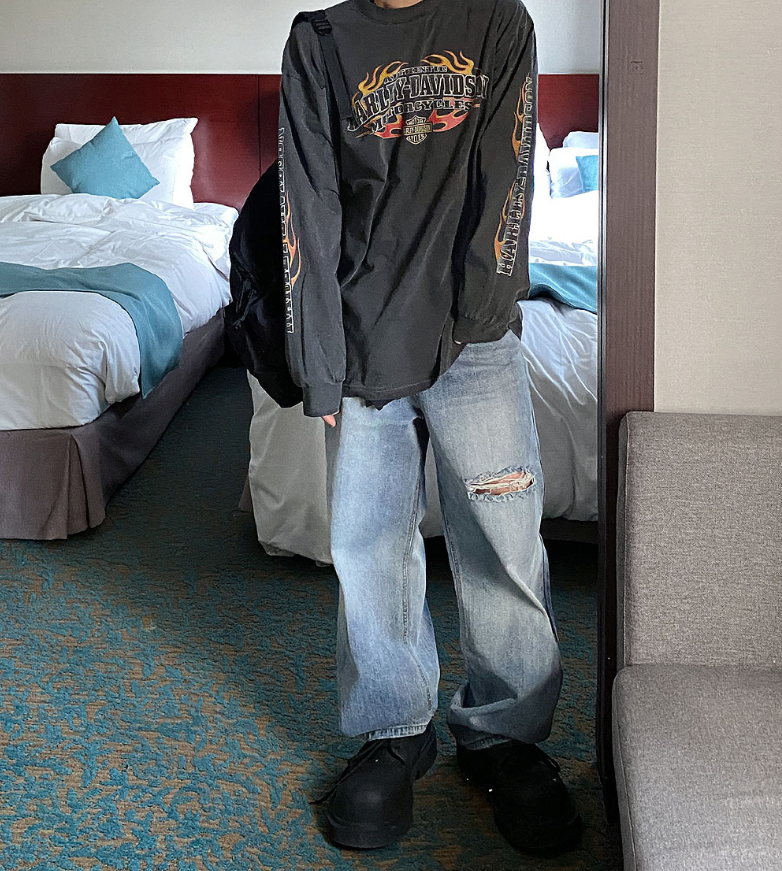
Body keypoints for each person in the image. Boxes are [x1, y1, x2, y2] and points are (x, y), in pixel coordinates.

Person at [277, 0, 582, 855]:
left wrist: (473, 326)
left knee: (502, 542)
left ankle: (503, 734)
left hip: (474, 340)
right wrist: (321, 359)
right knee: (368, 543)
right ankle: (394, 729)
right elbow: (308, 203)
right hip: (361, 338)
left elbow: (508, 178)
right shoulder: (320, 42)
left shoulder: (496, 24)